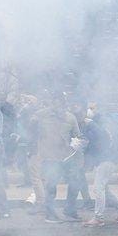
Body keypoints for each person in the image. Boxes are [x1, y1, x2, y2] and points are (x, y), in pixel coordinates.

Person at [29, 94, 81, 223]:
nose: (58, 106)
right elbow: (30, 126)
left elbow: (77, 136)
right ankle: (50, 214)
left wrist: (78, 143)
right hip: (49, 157)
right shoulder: (42, 115)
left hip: (67, 157)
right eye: (55, 103)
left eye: (60, 103)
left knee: (75, 183)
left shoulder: (70, 117)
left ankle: (70, 210)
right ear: (51, 103)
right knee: (51, 186)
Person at [83, 111, 118, 227]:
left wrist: (90, 125)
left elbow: (99, 143)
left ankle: (98, 218)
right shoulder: (107, 129)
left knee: (98, 188)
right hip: (107, 161)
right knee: (104, 189)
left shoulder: (100, 130)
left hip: (107, 161)